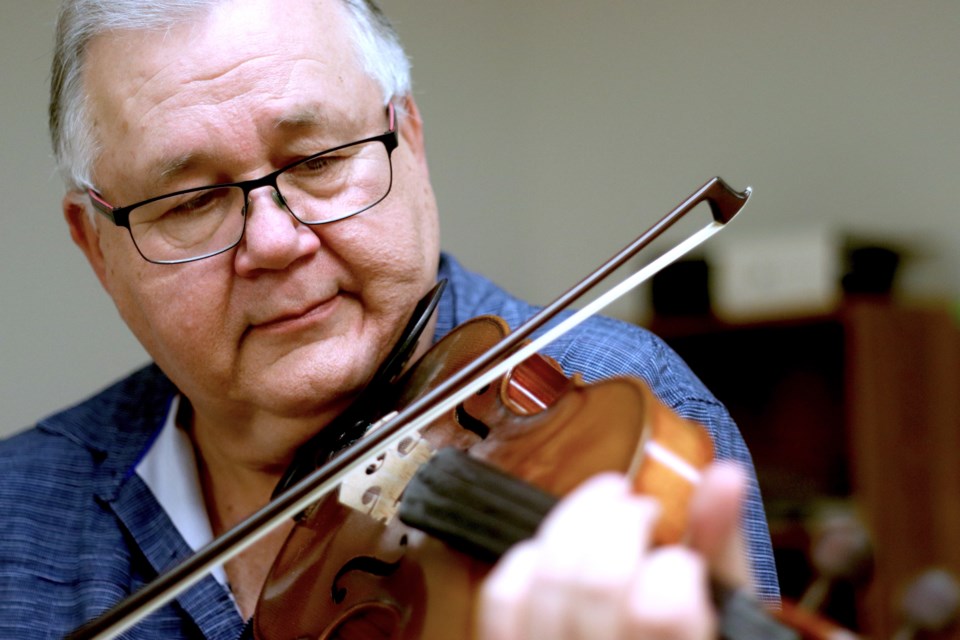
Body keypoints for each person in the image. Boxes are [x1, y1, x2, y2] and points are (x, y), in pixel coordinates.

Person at [0, 0, 779, 637]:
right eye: (191, 202)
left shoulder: (618, 409)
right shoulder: (19, 515)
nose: (275, 242)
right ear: (96, 247)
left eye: (318, 161)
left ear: (408, 140)